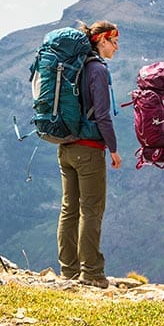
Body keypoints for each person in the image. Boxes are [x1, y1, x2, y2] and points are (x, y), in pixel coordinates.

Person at [57, 21, 122, 288]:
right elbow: (103, 116)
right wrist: (114, 149)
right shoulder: (97, 70)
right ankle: (92, 273)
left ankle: (68, 270)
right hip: (89, 149)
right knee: (91, 210)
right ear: (101, 40)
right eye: (114, 41)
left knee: (68, 209)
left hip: (66, 147)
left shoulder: (73, 67)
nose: (117, 47)